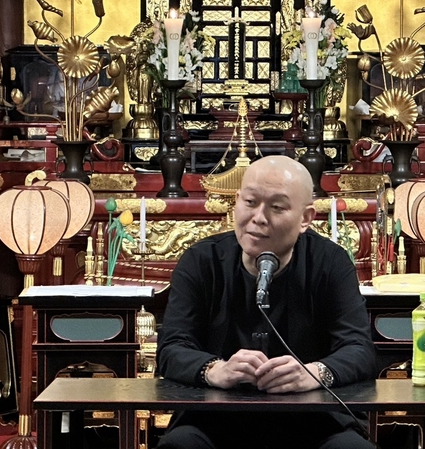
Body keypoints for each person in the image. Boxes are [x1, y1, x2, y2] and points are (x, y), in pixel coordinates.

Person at [156, 155, 378, 449]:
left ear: (306, 218)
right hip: (215, 419)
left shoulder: (330, 262)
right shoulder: (202, 260)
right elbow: (172, 347)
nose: (259, 217)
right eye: (250, 202)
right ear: (236, 201)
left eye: (277, 207)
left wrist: (314, 372)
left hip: (314, 420)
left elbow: (359, 348)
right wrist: (215, 369)